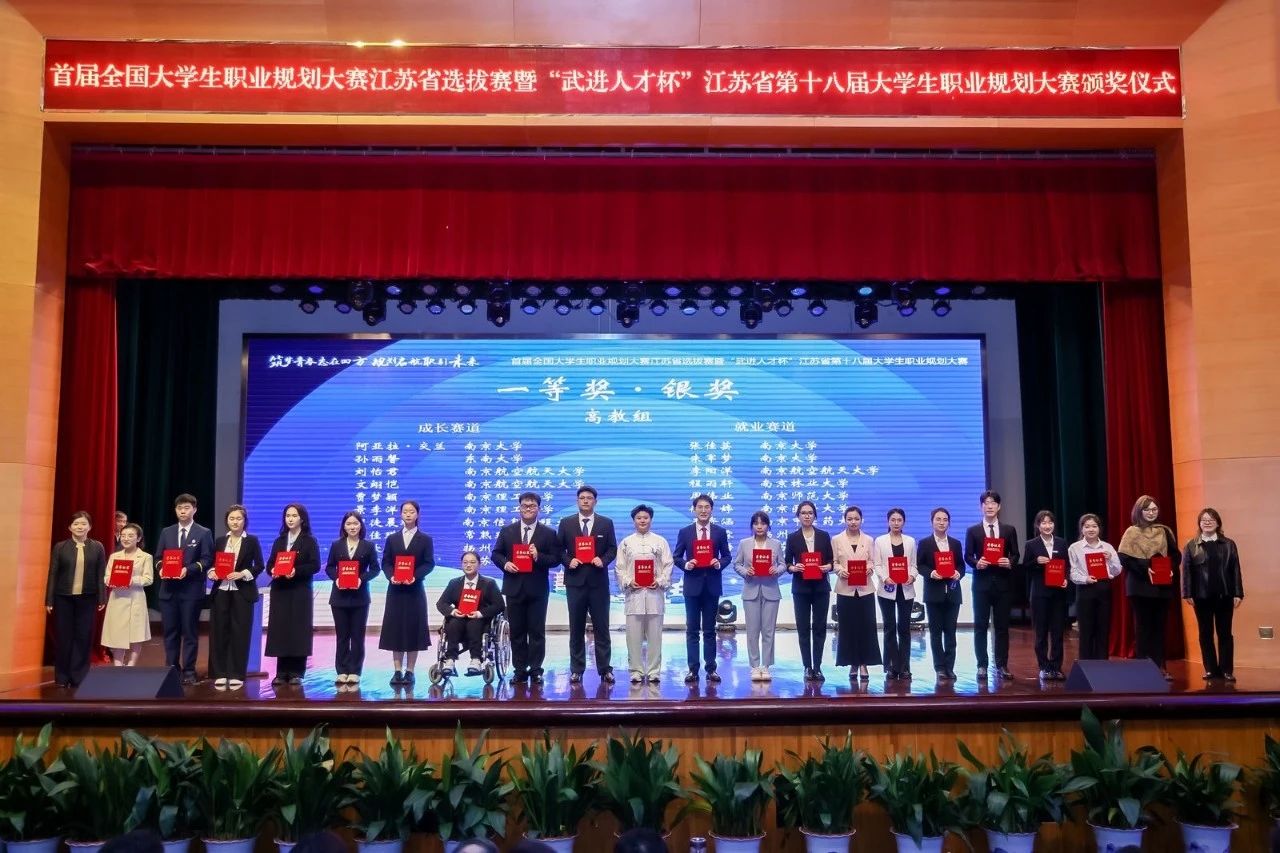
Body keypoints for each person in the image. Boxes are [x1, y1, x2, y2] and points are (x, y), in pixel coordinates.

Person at [491, 491, 561, 684]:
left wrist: (538, 556)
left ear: (539, 508)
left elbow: (556, 559)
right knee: (517, 631)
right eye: (524, 505)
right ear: (519, 508)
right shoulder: (507, 531)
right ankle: (520, 669)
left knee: (537, 632)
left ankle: (536, 669)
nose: (528, 509)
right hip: (514, 588)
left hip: (537, 589)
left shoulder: (548, 533)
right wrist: (505, 564)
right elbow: (496, 554)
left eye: (532, 506)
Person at [557, 485, 618, 686]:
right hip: (575, 582)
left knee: (602, 628)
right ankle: (576, 669)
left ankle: (605, 669)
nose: (585, 500)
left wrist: (603, 560)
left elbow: (612, 549)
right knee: (576, 628)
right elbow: (559, 550)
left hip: (598, 582)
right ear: (577, 501)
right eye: (582, 497)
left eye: (589, 498)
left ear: (595, 501)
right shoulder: (566, 523)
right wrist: (568, 561)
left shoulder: (606, 523)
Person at [671, 494, 733, 684]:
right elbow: (676, 556)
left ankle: (711, 669)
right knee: (692, 630)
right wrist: (686, 564)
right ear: (694, 509)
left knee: (709, 630)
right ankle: (692, 669)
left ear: (711, 510)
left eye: (707, 507)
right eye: (700, 507)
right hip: (692, 586)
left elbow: (727, 556)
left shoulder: (720, 532)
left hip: (712, 586)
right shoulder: (685, 532)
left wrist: (718, 563)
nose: (703, 510)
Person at [154, 493, 214, 685]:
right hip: (168, 591)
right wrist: (161, 568)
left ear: (194, 510)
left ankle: (189, 670)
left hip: (191, 591)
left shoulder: (203, 532)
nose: (182, 511)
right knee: (170, 632)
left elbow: (207, 559)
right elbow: (158, 558)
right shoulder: (167, 532)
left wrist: (187, 570)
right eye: (179, 508)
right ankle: (171, 669)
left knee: (189, 632)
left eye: (186, 508)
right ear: (175, 510)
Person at [1118, 494, 1180, 680]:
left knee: (1159, 627)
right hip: (1140, 586)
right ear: (1139, 511)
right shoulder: (1131, 532)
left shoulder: (1164, 531)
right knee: (1143, 628)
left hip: (1162, 586)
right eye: (1147, 510)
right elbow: (1124, 558)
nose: (1151, 513)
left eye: (1154, 509)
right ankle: (1142, 668)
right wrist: (1146, 569)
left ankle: (1160, 666)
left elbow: (1176, 555)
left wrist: (1171, 569)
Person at [45, 511, 107, 688]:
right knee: (64, 637)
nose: (80, 527)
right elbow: (53, 574)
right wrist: (49, 600)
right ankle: (62, 677)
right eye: (76, 524)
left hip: (87, 598)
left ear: (90, 527)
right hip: (63, 598)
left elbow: (100, 574)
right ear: (70, 527)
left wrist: (102, 597)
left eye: (83, 524)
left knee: (83, 637)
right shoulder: (60, 547)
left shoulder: (98, 547)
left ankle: (79, 676)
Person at [1181, 507, 1244, 681]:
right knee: (1205, 633)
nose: (1207, 522)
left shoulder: (1229, 544)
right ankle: (1210, 669)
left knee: (1225, 633)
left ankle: (1226, 670)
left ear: (1218, 523)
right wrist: (1187, 593)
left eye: (1211, 520)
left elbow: (1235, 569)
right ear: (1199, 524)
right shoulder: (1191, 545)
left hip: (1225, 595)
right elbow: (1186, 572)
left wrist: (1238, 593)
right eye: (1204, 520)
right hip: (1201, 597)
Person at [207, 504, 265, 689]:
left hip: (242, 591)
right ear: (227, 521)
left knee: (240, 633)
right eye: (231, 518)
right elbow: (212, 563)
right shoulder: (220, 541)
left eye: (238, 518)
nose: (235, 522)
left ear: (244, 521)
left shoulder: (252, 541)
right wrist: (212, 572)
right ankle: (219, 673)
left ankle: (236, 673)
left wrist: (242, 574)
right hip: (221, 590)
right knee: (219, 632)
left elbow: (259, 565)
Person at [963, 490, 1019, 680]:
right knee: (980, 626)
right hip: (981, 585)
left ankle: (1002, 665)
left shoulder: (1009, 530)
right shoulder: (973, 530)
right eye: (986, 503)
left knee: (1002, 627)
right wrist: (976, 563)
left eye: (993, 503)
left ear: (999, 506)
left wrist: (1009, 561)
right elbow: (967, 555)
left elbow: (1016, 554)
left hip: (1003, 585)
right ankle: (982, 665)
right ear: (981, 507)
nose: (989, 506)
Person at [379, 499, 435, 687]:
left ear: (417, 514)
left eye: (411, 511)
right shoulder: (392, 538)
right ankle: (397, 671)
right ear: (400, 514)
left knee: (413, 629)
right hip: (395, 590)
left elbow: (429, 563)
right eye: (405, 511)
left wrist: (414, 576)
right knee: (395, 629)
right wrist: (391, 576)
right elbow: (386, 562)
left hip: (414, 590)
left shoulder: (425, 539)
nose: (408, 514)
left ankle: (410, 671)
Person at [616, 505, 673, 684]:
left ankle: (654, 671)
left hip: (655, 596)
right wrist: (627, 581)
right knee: (633, 638)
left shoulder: (660, 541)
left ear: (651, 520)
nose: (642, 520)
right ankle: (636, 671)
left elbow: (668, 565)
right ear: (634, 520)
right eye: (639, 518)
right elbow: (620, 567)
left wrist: (661, 581)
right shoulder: (626, 543)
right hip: (634, 596)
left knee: (655, 637)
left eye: (646, 517)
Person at [265, 503, 321, 685]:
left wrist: (296, 571)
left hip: (300, 590)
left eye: (294, 516)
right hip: (280, 590)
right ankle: (281, 672)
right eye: (288, 515)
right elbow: (270, 564)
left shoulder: (309, 541)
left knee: (298, 629)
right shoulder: (279, 541)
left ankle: (297, 671)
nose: (290, 519)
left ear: (302, 519)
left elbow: (315, 565)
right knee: (281, 629)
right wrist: (273, 570)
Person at [324, 510, 380, 686]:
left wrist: (361, 579)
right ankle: (341, 670)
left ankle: (355, 671)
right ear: (344, 526)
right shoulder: (336, 545)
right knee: (342, 636)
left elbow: (375, 569)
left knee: (357, 635)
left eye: (355, 523)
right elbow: (329, 567)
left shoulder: (368, 546)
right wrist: (337, 578)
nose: (352, 527)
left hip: (359, 598)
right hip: (339, 597)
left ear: (361, 526)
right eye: (349, 524)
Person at [784, 500, 834, 681]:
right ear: (798, 516)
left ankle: (818, 667)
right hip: (801, 589)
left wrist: (828, 567)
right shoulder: (792, 537)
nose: (807, 516)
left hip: (821, 588)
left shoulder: (824, 536)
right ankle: (807, 666)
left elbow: (831, 560)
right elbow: (787, 562)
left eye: (810, 513)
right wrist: (793, 568)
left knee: (820, 627)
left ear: (815, 516)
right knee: (803, 628)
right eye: (803, 513)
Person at [732, 510, 785, 681]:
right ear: (752, 526)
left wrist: (776, 570)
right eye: (756, 523)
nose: (759, 526)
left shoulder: (776, 544)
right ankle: (755, 666)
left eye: (763, 523)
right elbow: (736, 564)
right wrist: (746, 572)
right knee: (752, 631)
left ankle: (766, 666)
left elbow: (783, 564)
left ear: (768, 526)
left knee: (768, 631)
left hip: (771, 591)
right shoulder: (744, 543)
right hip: (751, 590)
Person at [832, 505, 880, 681]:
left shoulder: (869, 539)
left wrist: (869, 568)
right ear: (845, 520)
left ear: (861, 520)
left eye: (856, 519)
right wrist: (840, 570)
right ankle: (852, 663)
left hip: (865, 590)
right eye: (850, 519)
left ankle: (864, 663)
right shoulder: (836, 539)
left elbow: (873, 561)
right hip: (845, 590)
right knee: (848, 628)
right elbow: (834, 562)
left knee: (866, 627)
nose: (853, 522)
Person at [436, 551, 504, 675]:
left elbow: (499, 605)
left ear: (479, 564)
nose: (468, 565)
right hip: (459, 618)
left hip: (480, 619)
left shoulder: (489, 583)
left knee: (474, 623)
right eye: (465, 562)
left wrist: (480, 613)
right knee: (453, 623)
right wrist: (453, 611)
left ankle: (476, 659)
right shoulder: (454, 583)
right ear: (461, 565)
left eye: (472, 562)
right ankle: (450, 660)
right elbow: (441, 603)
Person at [1022, 510, 1070, 681]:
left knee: (1057, 632)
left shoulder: (1062, 543)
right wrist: (1036, 561)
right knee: (1041, 632)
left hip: (1058, 593)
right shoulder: (1031, 544)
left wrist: (1065, 579)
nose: (1047, 526)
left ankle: (1056, 667)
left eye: (1050, 522)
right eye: (1043, 522)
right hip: (1039, 594)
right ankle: (1044, 667)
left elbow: (1067, 565)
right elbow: (1026, 567)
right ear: (1038, 525)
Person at [1069, 513, 1122, 661]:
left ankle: (1102, 665)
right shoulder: (1074, 548)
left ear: (1099, 528)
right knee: (1086, 631)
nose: (1091, 529)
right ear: (1082, 529)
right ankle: (1086, 665)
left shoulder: (1107, 547)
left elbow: (1117, 570)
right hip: (1085, 590)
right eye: (1087, 526)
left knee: (1103, 630)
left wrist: (1110, 559)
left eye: (1094, 526)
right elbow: (1072, 573)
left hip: (1104, 589)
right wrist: (1085, 579)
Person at [918, 507, 964, 681]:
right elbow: (920, 565)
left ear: (949, 523)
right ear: (932, 522)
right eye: (938, 519)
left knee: (951, 632)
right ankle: (939, 668)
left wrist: (958, 573)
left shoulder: (955, 543)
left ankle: (950, 667)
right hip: (933, 594)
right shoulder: (925, 543)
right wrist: (931, 573)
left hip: (953, 593)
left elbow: (961, 565)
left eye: (945, 519)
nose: (942, 522)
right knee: (936, 633)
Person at [875, 507, 919, 680]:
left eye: (899, 520)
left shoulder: (910, 541)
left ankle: (905, 666)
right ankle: (892, 666)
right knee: (889, 628)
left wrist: (912, 576)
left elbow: (914, 565)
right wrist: (885, 578)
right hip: (887, 589)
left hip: (905, 589)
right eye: (893, 520)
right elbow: (878, 565)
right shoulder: (880, 541)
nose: (896, 523)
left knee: (904, 628)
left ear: (904, 522)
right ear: (888, 521)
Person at [102, 522, 153, 667]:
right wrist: (111, 581)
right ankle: (118, 666)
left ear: (138, 538)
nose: (126, 538)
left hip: (135, 598)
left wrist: (132, 580)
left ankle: (131, 665)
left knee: (136, 634)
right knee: (117, 633)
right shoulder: (114, 556)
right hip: (117, 598)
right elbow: (106, 577)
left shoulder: (145, 557)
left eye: (130, 536)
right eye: (123, 535)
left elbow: (148, 579)